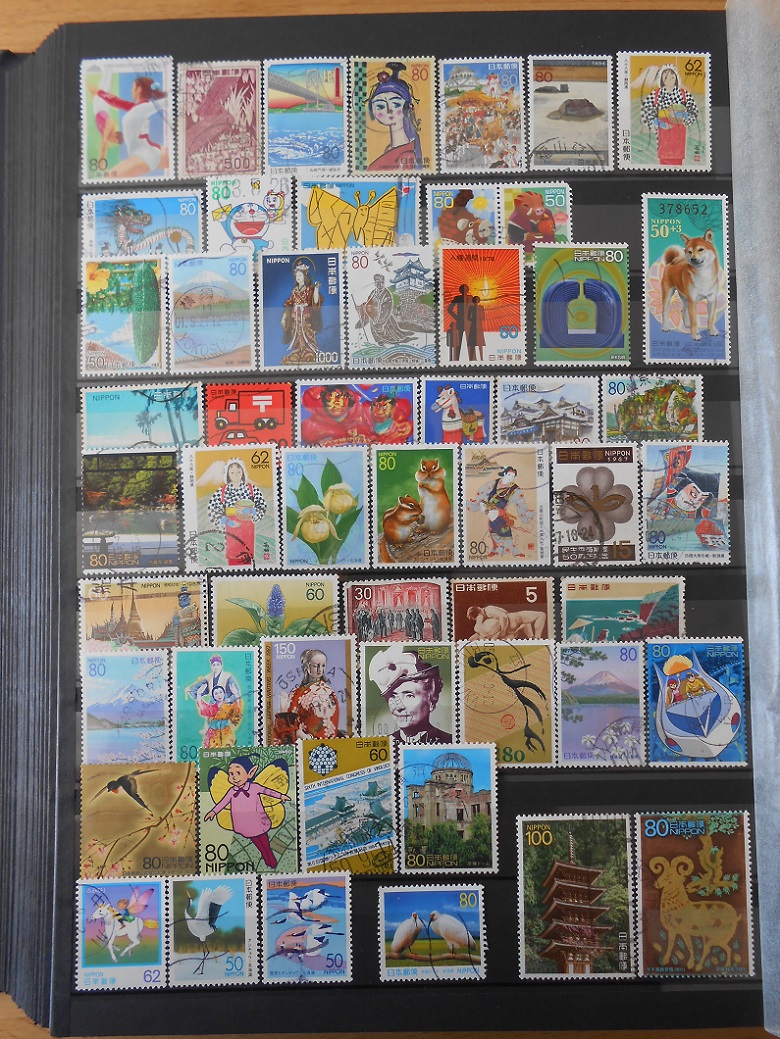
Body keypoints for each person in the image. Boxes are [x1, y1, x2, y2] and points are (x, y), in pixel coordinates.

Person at [204, 755, 290, 868]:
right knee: (257, 842)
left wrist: (281, 796)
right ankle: (267, 857)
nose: (234, 777)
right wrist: (213, 812)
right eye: (231, 774)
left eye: (238, 773)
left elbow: (267, 791)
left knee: (264, 841)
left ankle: (270, 858)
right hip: (245, 824)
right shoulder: (231, 791)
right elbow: (222, 803)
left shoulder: (254, 787)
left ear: (250, 773)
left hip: (258, 821)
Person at [87, 75, 169, 179]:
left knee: (108, 178)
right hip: (145, 153)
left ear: (139, 89)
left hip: (143, 157)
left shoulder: (145, 107)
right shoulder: (135, 108)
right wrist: (98, 92)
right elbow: (115, 101)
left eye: (133, 87)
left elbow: (167, 101)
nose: (131, 90)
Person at [368, 645, 451, 745]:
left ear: (432, 698)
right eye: (393, 696)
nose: (399, 707)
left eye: (409, 696)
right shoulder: (383, 744)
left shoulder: (450, 742)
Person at [272, 648, 341, 743]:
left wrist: (304, 736)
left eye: (323, 665)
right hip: (295, 739)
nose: (320, 670)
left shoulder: (326, 693)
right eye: (316, 666)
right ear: (307, 666)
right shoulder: (295, 692)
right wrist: (283, 712)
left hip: (311, 743)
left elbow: (325, 725)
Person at [207, 460, 268, 567]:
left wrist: (250, 511)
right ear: (228, 474)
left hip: (247, 528)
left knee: (247, 558)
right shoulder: (222, 491)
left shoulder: (252, 489)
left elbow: (262, 507)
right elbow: (213, 511)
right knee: (233, 559)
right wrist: (228, 522)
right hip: (231, 529)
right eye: (232, 472)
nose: (236, 475)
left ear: (243, 473)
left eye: (238, 472)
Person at [367, 62, 423, 171]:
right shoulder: (391, 149)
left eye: (396, 104)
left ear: (408, 108)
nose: (388, 110)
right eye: (380, 106)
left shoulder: (406, 156)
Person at [640, 65, 699, 167]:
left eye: (672, 77)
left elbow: (694, 112)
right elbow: (646, 112)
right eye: (666, 77)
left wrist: (682, 115)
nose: (669, 80)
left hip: (679, 132)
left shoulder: (684, 95)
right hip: (663, 133)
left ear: (676, 78)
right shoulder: (655, 95)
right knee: (664, 161)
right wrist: (660, 123)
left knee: (678, 161)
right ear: (662, 79)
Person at [189, 654, 243, 749]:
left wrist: (230, 699)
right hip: (213, 707)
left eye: (218, 664)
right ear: (211, 666)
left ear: (221, 665)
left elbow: (237, 692)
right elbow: (198, 689)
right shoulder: (209, 677)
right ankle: (208, 728)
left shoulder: (228, 677)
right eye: (214, 665)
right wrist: (195, 691)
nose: (216, 667)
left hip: (226, 705)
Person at [354, 273, 414, 347]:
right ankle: (381, 346)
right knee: (377, 336)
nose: (378, 284)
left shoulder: (386, 293)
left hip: (385, 318)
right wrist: (360, 307)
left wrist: (380, 321)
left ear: (383, 283)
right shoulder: (373, 292)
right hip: (374, 317)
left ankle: (396, 345)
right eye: (376, 282)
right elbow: (368, 304)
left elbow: (387, 307)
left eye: (380, 282)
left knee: (390, 335)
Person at [281, 259, 322, 364]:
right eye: (297, 276)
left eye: (300, 275)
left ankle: (308, 351)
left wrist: (316, 289)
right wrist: (288, 312)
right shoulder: (294, 291)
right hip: (296, 316)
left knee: (307, 333)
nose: (298, 277)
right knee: (297, 333)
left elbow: (315, 302)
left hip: (306, 315)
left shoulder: (309, 289)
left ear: (305, 276)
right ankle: (299, 350)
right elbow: (290, 302)